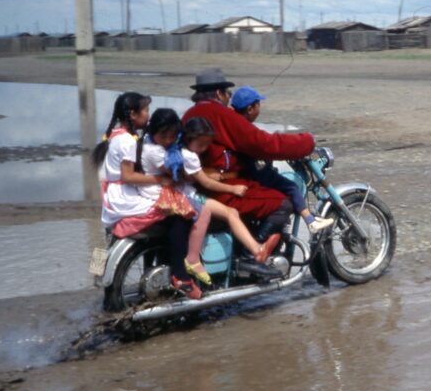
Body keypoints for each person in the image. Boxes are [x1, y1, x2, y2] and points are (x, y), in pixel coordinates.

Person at [181, 68, 315, 266]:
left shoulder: (190, 114)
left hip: (199, 184)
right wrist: (305, 142)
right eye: (227, 93)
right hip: (220, 186)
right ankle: (251, 254)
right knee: (282, 204)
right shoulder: (218, 113)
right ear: (218, 93)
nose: (228, 98)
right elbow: (262, 143)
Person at [142, 109, 282, 285]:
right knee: (229, 212)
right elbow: (206, 184)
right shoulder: (187, 156)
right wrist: (232, 189)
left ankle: (105, 285)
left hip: (119, 203)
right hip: (186, 196)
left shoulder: (146, 145)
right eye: (201, 145)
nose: (204, 149)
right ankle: (255, 250)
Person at [92, 92, 201, 299]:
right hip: (124, 197)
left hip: (115, 196)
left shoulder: (115, 135)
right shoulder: (128, 141)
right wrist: (160, 180)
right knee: (181, 215)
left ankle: (150, 265)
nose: (147, 115)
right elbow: (128, 176)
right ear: (133, 114)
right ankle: (180, 274)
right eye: (145, 110)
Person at [229, 85, 333, 233]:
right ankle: (310, 220)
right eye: (258, 104)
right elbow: (265, 146)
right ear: (250, 109)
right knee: (291, 187)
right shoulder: (245, 129)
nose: (260, 107)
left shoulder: (235, 124)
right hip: (255, 173)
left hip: (248, 171)